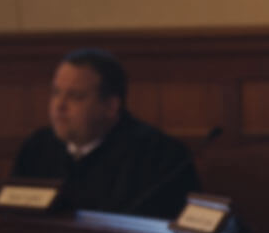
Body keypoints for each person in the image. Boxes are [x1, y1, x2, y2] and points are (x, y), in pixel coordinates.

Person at [11, 48, 200, 219]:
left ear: (110, 106)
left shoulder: (160, 156)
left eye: (75, 96)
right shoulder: (36, 148)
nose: (59, 106)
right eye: (55, 93)